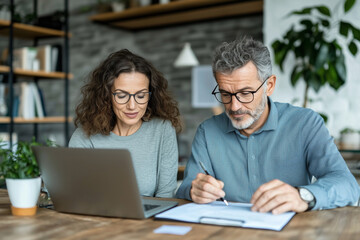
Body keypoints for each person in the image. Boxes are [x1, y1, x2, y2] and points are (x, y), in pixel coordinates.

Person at [176, 37, 360, 214]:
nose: (234, 106)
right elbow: (186, 188)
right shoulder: (207, 131)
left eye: (245, 93)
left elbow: (347, 185)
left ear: (269, 85)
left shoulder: (305, 123)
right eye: (225, 94)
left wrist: (302, 196)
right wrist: (195, 190)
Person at [69, 49, 182, 198]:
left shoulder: (162, 129)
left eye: (141, 95)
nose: (132, 106)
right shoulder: (85, 135)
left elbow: (165, 196)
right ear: (106, 95)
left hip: (148, 219)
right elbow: (71, 191)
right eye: (122, 96)